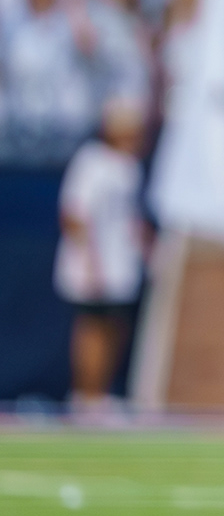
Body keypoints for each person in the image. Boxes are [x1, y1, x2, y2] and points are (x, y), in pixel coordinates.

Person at [54, 98, 148, 423]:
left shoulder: (130, 168)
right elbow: (74, 214)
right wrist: (90, 262)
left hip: (121, 264)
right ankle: (85, 396)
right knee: (92, 328)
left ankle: (101, 394)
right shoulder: (91, 161)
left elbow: (130, 218)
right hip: (95, 264)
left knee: (115, 327)